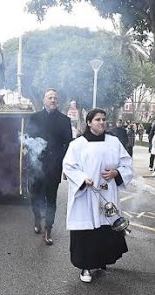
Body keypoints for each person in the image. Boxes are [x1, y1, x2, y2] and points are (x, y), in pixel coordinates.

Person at [62, 108, 133, 283]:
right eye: (97, 119)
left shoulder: (114, 142)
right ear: (88, 122)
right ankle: (85, 267)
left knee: (105, 229)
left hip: (107, 194)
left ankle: (102, 261)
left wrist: (116, 172)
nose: (102, 122)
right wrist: (82, 178)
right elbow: (69, 167)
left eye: (103, 119)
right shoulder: (78, 144)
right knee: (87, 231)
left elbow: (127, 164)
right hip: (87, 195)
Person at [26, 88, 73, 245]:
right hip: (35, 164)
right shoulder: (34, 118)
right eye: (50, 97)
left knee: (51, 199)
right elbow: (27, 139)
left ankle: (48, 230)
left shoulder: (65, 120)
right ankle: (37, 219)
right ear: (44, 100)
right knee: (34, 196)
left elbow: (69, 144)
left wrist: (61, 159)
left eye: (55, 98)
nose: (53, 100)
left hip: (54, 167)